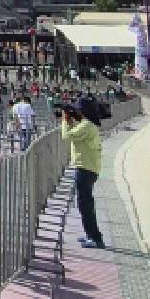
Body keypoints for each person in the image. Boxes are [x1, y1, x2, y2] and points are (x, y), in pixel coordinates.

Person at [59, 101, 105, 248]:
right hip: (88, 167)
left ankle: (95, 238)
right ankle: (91, 235)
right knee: (85, 204)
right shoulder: (87, 124)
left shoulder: (86, 126)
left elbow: (66, 136)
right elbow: (75, 135)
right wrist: (72, 118)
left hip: (85, 168)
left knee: (85, 205)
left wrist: (65, 120)